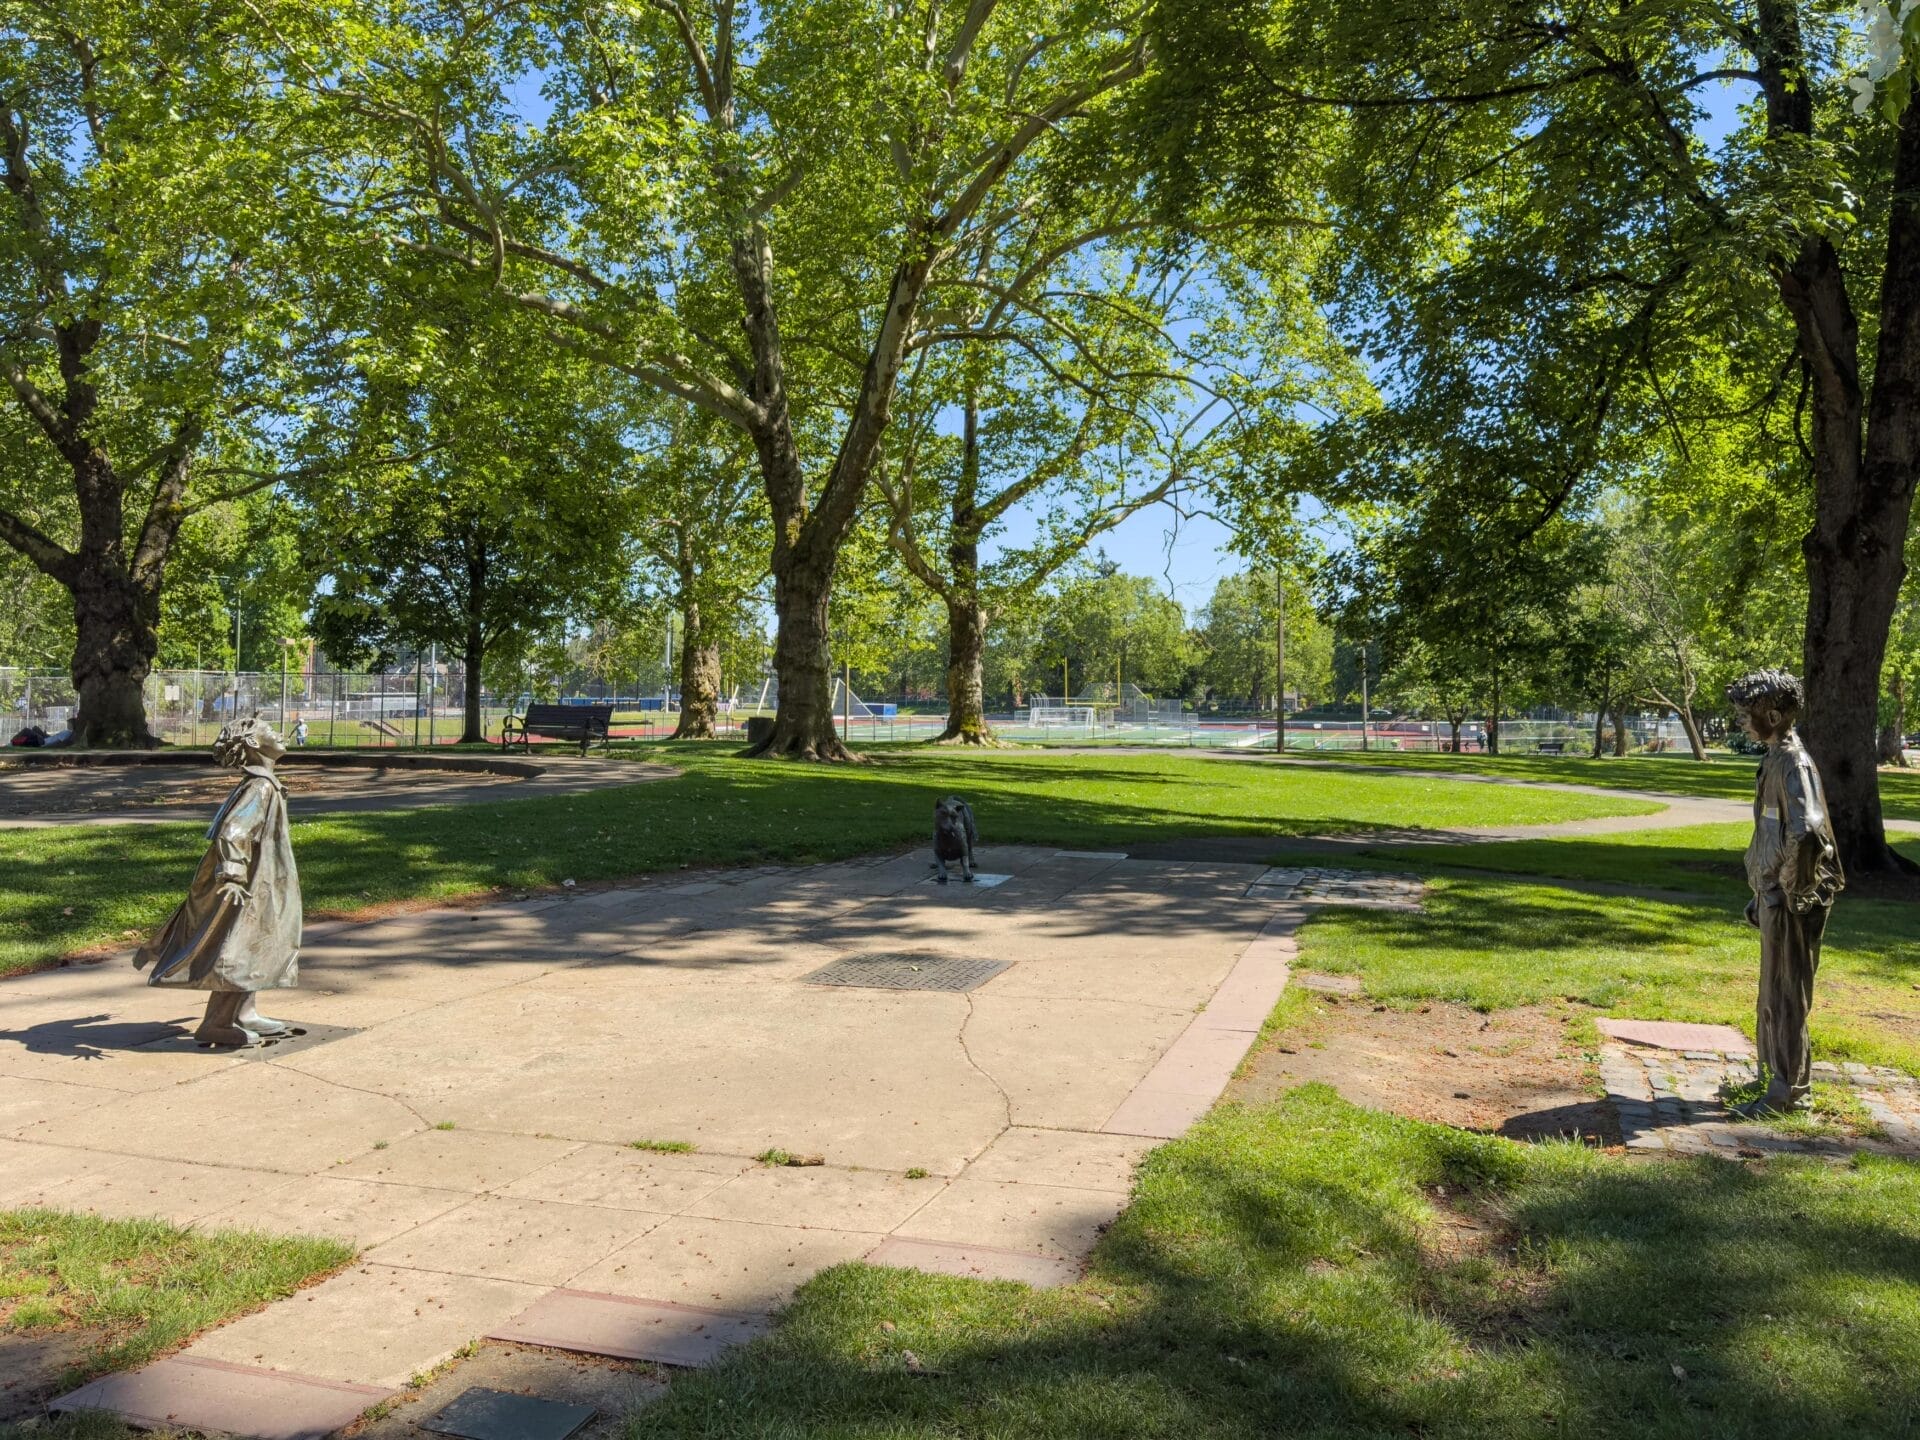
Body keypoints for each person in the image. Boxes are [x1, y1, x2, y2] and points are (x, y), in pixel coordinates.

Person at [135, 717, 302, 1047]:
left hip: (261, 875)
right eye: (270, 730)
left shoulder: (262, 782)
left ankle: (245, 1012)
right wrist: (233, 873)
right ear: (254, 743)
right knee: (240, 946)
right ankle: (216, 1023)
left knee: (259, 941)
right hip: (246, 882)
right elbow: (233, 830)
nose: (280, 733)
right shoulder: (260, 787)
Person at [1727, 668, 1844, 1112]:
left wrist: (1790, 890)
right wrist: (1762, 888)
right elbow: (1777, 831)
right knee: (1772, 988)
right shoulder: (1776, 756)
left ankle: (1788, 1094)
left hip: (1794, 897)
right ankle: (1772, 1076)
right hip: (1776, 893)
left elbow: (1810, 832)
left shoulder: (1794, 763)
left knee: (1787, 991)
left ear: (1773, 715)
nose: (1740, 721)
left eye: (1744, 714)